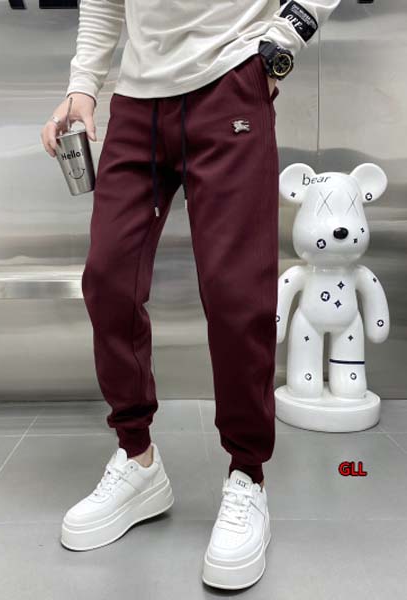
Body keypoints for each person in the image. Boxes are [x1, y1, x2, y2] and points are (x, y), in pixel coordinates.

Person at [41, 0, 340, 590]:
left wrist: (280, 45)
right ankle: (138, 460)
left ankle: (247, 475)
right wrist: (83, 86)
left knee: (236, 294)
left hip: (230, 83)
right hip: (136, 100)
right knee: (107, 278)